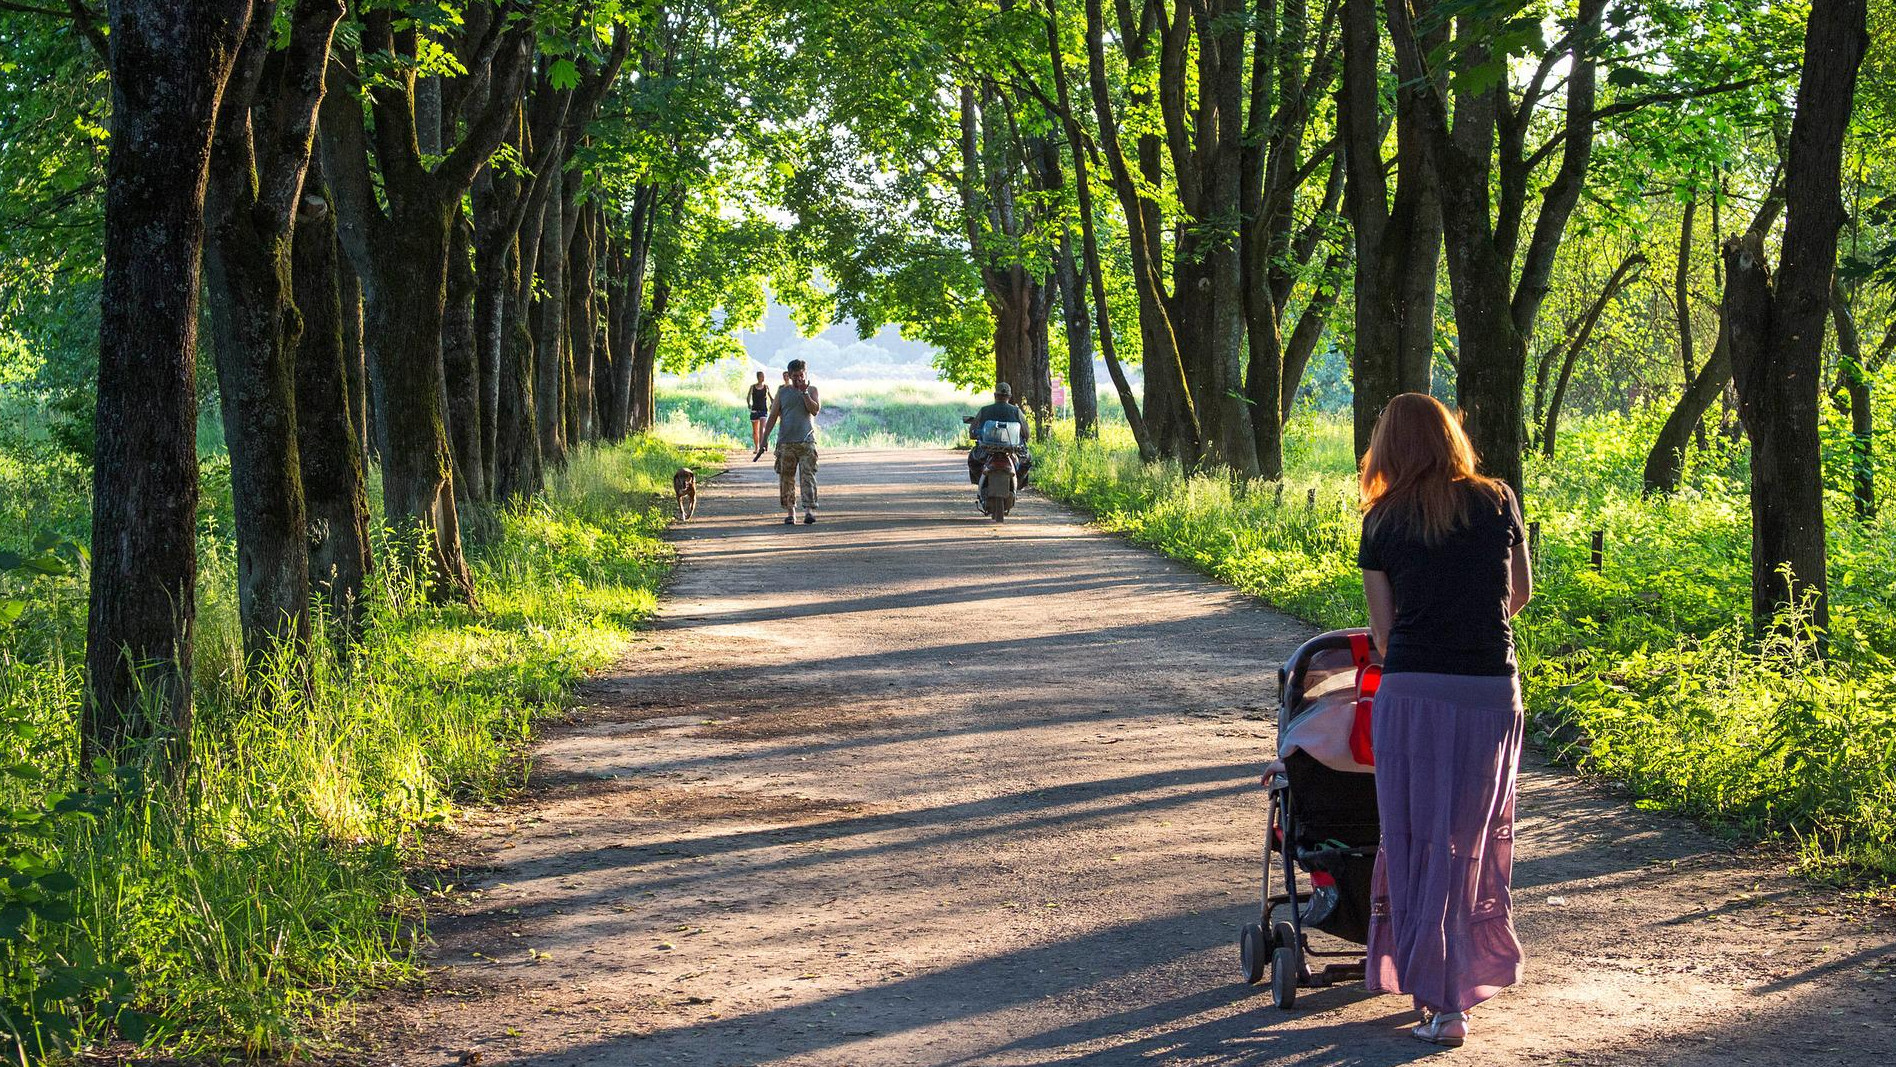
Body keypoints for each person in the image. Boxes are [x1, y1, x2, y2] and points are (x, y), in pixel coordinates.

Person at [1356, 392, 1532, 1049]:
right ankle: (1460, 984)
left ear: (1388, 448)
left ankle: (1437, 998)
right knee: (1471, 843)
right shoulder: (1497, 500)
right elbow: (1518, 594)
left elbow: (1382, 631)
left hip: (1414, 692)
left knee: (1415, 839)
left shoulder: (1381, 519)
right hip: (1490, 691)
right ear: (1452, 436)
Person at [763, 359, 821, 524]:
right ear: (789, 375)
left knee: (807, 476)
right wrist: (764, 439)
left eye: (801, 375)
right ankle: (791, 512)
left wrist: (805, 393)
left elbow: (814, 410)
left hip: (806, 442)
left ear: (805, 374)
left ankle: (809, 510)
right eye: (794, 376)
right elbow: (773, 416)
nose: (798, 379)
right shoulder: (782, 392)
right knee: (786, 478)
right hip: (786, 442)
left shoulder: (812, 390)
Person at [966, 382, 1033, 489]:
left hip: (987, 450)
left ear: (995, 395)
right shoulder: (1016, 411)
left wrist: (975, 434)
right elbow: (1026, 434)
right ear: (1009, 396)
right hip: (1011, 449)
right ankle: (1017, 485)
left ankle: (981, 484)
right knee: (1026, 461)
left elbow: (972, 432)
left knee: (972, 460)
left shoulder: (984, 410)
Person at [747, 371, 772, 460]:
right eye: (761, 376)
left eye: (763, 376)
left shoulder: (766, 387)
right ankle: (756, 447)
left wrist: (773, 404)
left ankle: (761, 446)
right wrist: (749, 404)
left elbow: (770, 397)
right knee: (755, 431)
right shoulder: (753, 387)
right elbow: (748, 397)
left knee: (762, 429)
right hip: (754, 410)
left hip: (763, 410)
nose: (763, 378)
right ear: (758, 377)